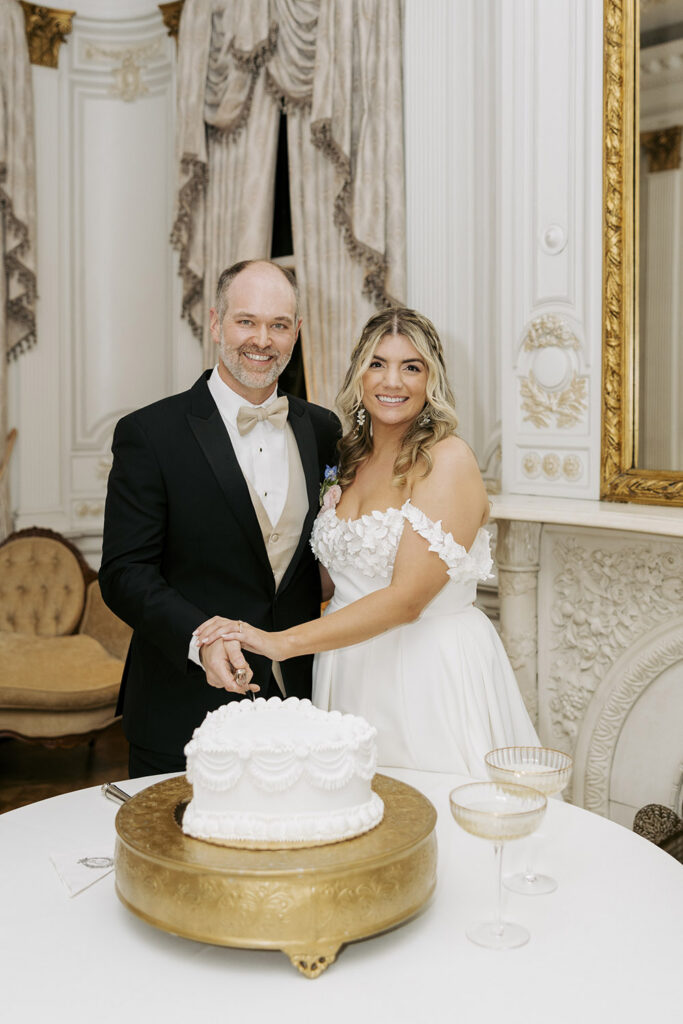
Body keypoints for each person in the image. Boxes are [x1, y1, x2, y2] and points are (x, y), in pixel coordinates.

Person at [194, 307, 539, 777]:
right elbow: (333, 578)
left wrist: (280, 643)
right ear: (359, 373)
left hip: (424, 672)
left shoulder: (446, 459)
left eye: (411, 367)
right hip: (347, 668)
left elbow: (405, 600)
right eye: (378, 364)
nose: (392, 381)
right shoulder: (350, 458)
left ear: (431, 379)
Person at [99, 259, 340, 777]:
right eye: (246, 321)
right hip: (183, 711)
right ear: (215, 323)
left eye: (279, 325)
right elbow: (124, 574)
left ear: (297, 333)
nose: (263, 339)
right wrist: (201, 638)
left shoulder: (322, 429)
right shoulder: (150, 433)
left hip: (302, 707)